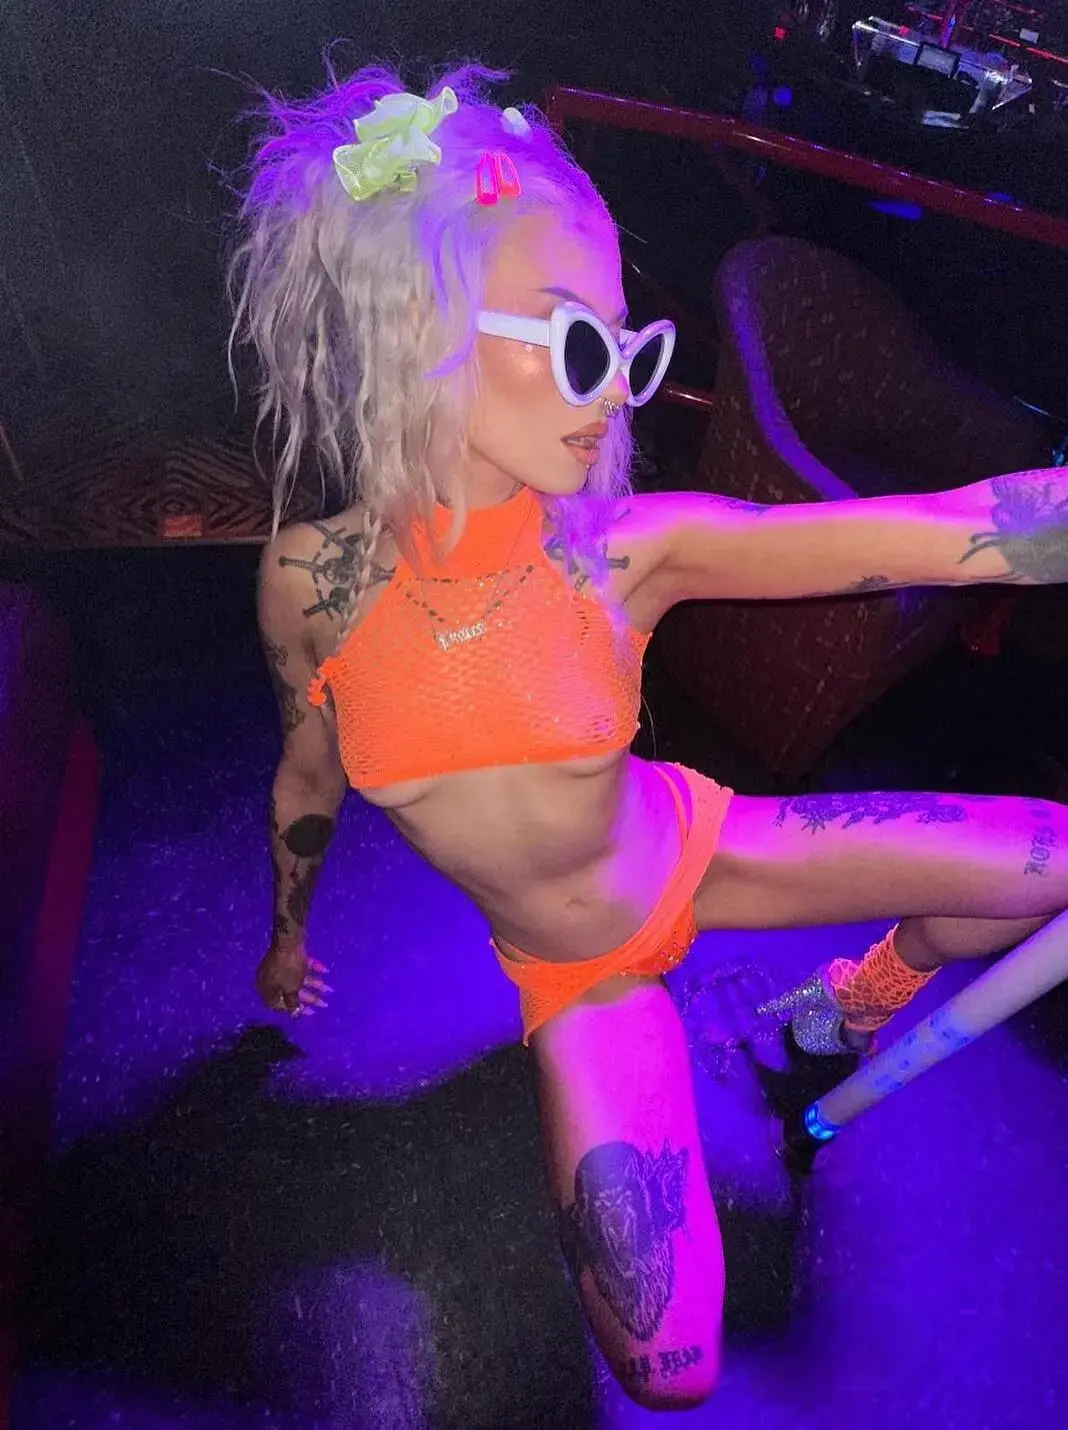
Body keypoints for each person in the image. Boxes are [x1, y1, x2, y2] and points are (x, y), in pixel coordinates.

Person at [229, 60, 1068, 1411]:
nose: (614, 393)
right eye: (580, 347)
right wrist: (286, 932)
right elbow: (305, 772)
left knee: (1052, 863)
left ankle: (843, 1006)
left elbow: (941, 530)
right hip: (578, 975)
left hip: (700, 848)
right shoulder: (305, 586)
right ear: (417, 327)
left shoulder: (622, 553)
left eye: (630, 349)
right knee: (669, 1367)